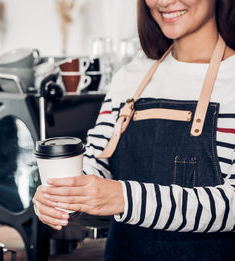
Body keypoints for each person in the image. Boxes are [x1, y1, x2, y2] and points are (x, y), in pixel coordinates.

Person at [33, 0, 235, 260]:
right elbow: (98, 158)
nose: (163, 1)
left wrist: (124, 198)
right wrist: (64, 192)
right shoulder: (130, 77)